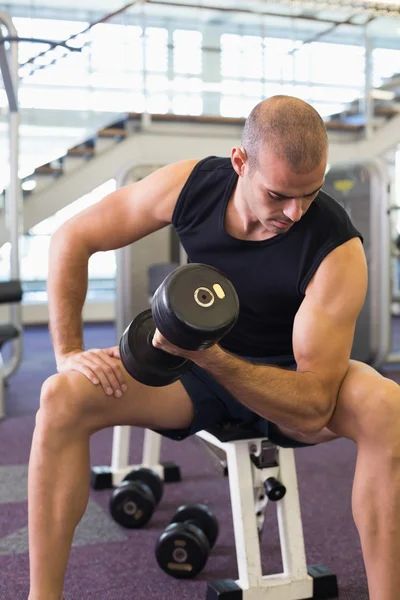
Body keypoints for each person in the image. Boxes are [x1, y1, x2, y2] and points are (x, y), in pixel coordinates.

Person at [27, 95, 399, 600]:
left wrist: (210, 356)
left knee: (386, 407)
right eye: (278, 195)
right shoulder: (193, 186)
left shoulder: (335, 248)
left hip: (290, 383)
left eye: (310, 194)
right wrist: (68, 350)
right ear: (240, 163)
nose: (294, 212)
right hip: (195, 373)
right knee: (61, 395)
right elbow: (72, 237)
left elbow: (313, 408)